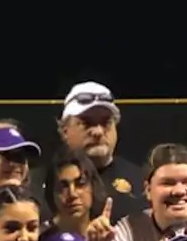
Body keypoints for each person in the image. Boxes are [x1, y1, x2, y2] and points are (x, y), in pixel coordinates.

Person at [56, 81, 145, 224]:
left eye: (106, 123)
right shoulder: (42, 183)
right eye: (86, 123)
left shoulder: (142, 182)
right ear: (65, 131)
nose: (98, 132)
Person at [42, 146, 118, 241]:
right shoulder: (39, 239)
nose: (72, 194)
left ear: (93, 187)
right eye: (63, 186)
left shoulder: (110, 239)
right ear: (51, 193)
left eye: (80, 184)